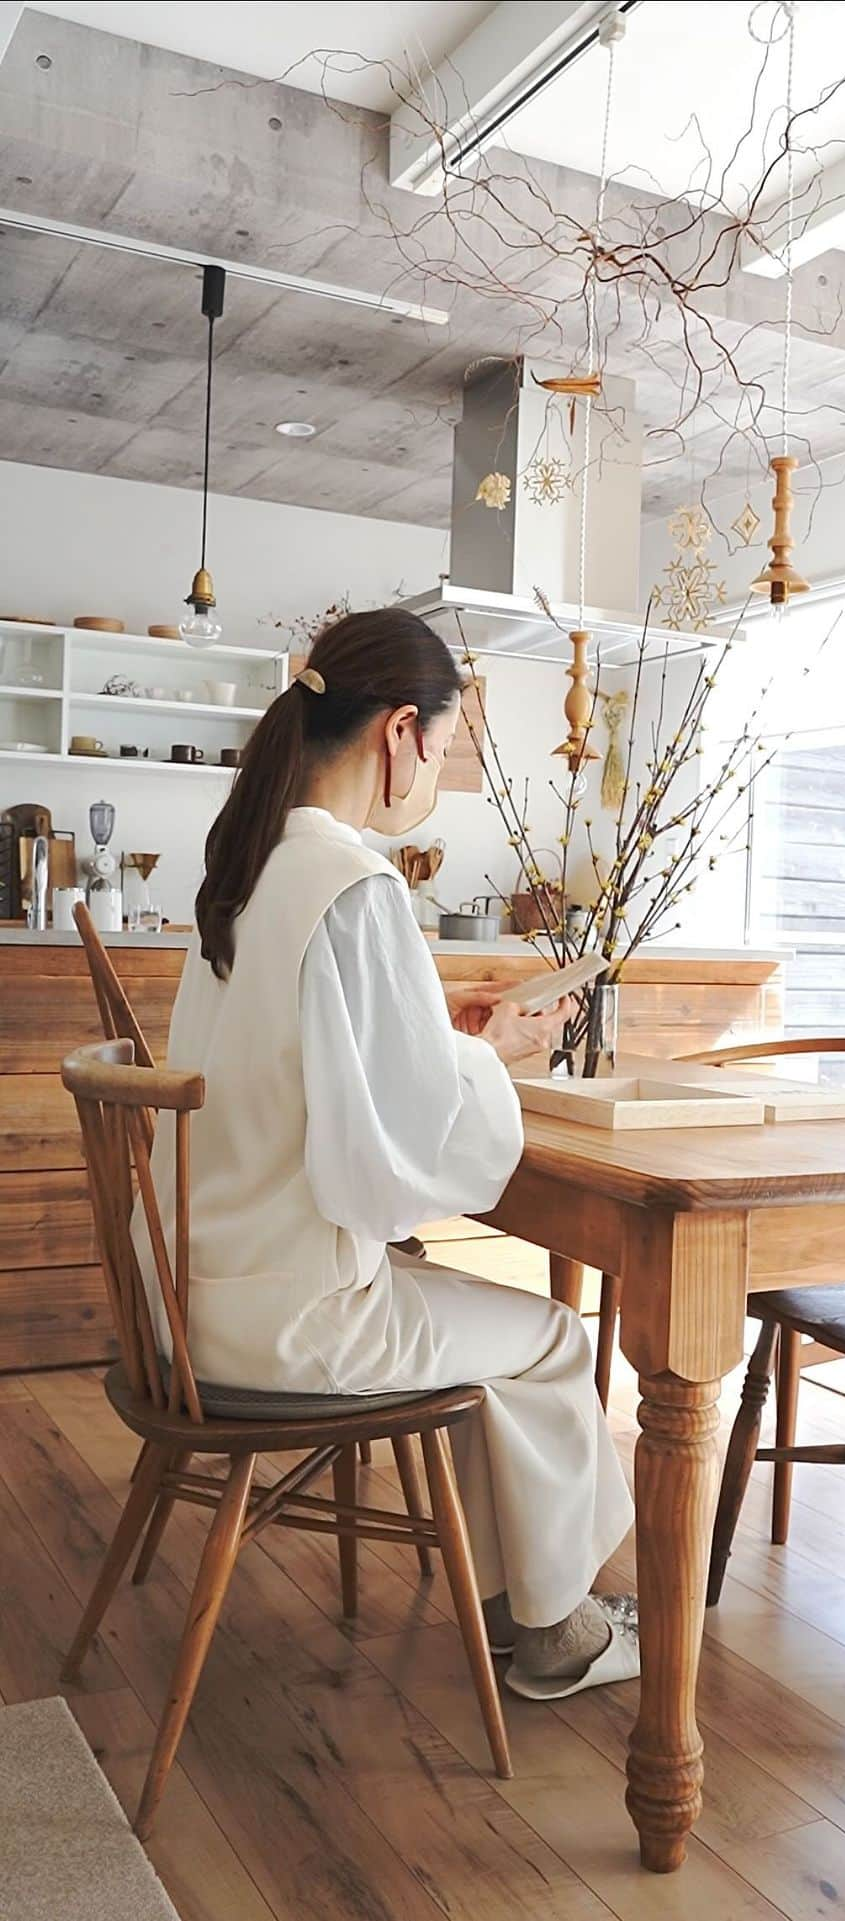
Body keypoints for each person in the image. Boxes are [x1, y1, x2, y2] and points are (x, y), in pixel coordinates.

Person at [138, 607, 636, 1699]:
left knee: (481, 1329)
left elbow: (341, 1090)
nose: (436, 772)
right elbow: (410, 1159)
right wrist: (494, 1062)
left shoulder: (250, 870)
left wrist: (459, 1046)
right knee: (551, 1337)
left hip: (195, 1289)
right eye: (446, 749)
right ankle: (555, 1626)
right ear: (400, 732)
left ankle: (528, 1601)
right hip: (290, 1320)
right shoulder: (355, 888)